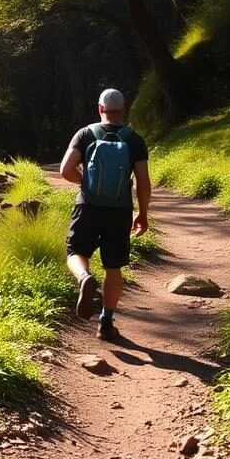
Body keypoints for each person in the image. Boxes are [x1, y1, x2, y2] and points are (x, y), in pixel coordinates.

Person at [58, 88, 151, 341]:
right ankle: (106, 323)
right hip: (119, 211)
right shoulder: (134, 140)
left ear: (100, 109)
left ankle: (85, 277)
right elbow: (143, 182)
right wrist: (142, 214)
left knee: (75, 252)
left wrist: (84, 183)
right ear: (125, 109)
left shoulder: (85, 134)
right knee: (113, 267)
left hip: (87, 206)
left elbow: (65, 170)